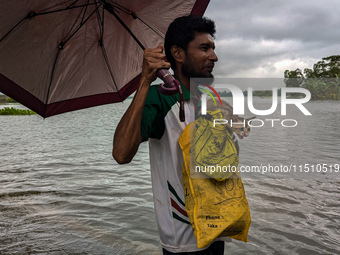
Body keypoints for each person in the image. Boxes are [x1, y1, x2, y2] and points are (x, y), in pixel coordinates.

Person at [113, 15, 227, 254]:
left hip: (216, 230)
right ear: (177, 53)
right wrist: (145, 81)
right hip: (183, 240)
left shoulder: (206, 98)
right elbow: (122, 154)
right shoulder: (160, 98)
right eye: (204, 48)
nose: (213, 56)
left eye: (213, 49)